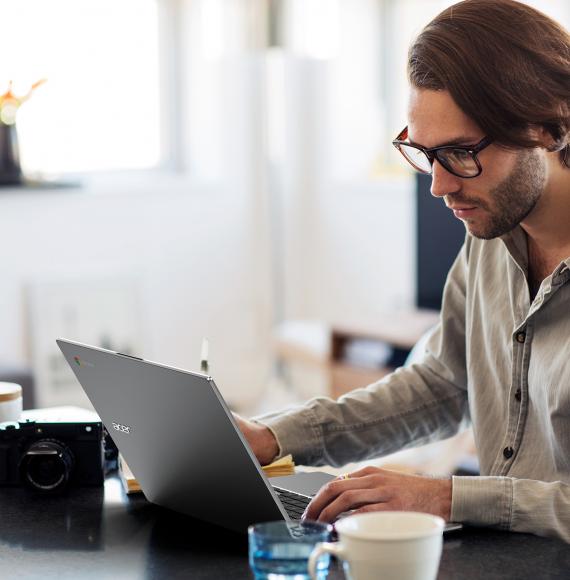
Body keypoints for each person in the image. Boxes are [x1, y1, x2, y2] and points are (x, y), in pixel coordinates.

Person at [237, 0, 570, 542]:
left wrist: (446, 496)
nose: (439, 185)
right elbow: (443, 385)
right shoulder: (490, 236)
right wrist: (274, 437)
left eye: (462, 153)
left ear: (549, 123)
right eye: (424, 153)